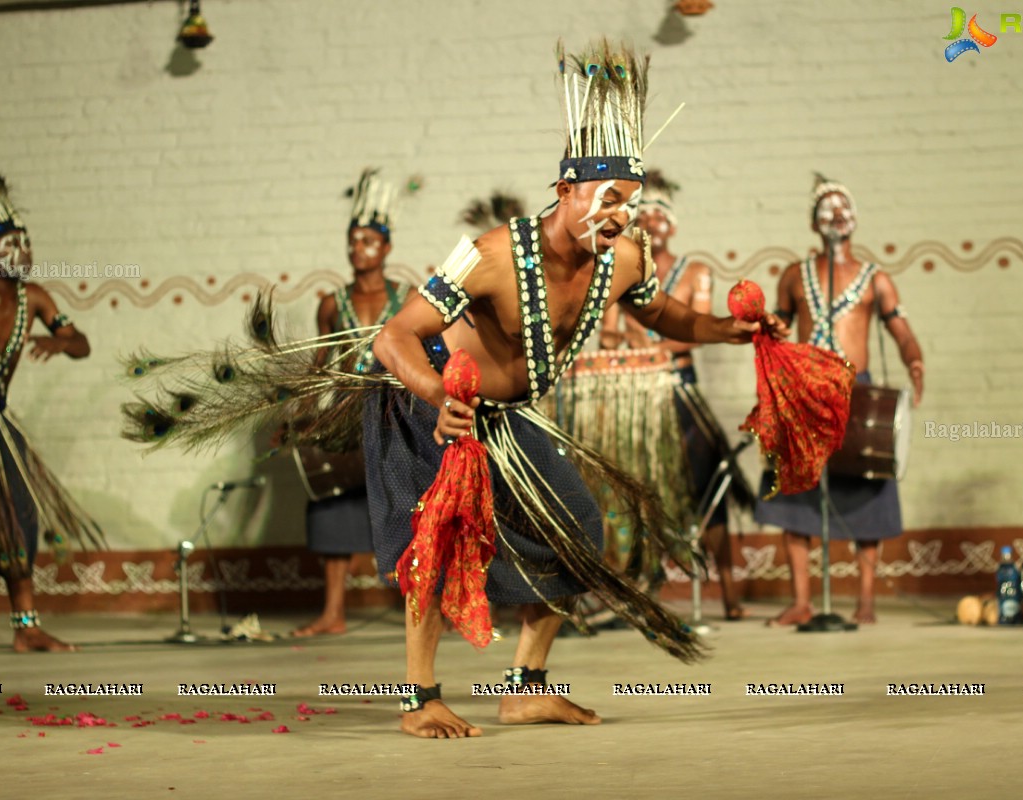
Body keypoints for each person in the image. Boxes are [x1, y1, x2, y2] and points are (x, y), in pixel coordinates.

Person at [365, 41, 787, 738]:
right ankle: (419, 700)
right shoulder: (493, 253)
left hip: (503, 415)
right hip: (428, 405)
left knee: (577, 527)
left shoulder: (623, 259)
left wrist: (725, 330)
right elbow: (393, 338)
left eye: (631, 203)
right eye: (610, 199)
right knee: (437, 541)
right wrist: (440, 398)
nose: (622, 215)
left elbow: (662, 314)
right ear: (565, 191)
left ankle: (526, 688)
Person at [757, 175, 924, 626]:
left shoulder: (876, 279)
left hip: (857, 390)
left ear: (855, 218)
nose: (836, 214)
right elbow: (782, 326)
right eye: (827, 208)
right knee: (795, 492)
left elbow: (901, 331)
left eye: (843, 207)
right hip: (806, 388)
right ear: (815, 222)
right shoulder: (795, 275)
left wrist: (915, 363)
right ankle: (802, 601)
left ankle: (866, 601)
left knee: (867, 485)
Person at [600, 170, 754, 620]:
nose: (651, 221)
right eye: (642, 214)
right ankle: (637, 591)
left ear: (673, 224)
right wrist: (624, 347)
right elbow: (608, 336)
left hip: (682, 392)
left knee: (709, 485)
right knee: (634, 490)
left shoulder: (696, 272)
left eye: (659, 214)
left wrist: (650, 347)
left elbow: (695, 330)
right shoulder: (619, 268)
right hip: (636, 394)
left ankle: (728, 594)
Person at [288, 169, 413, 637]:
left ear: (386, 248)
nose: (356, 248)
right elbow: (321, 364)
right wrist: (302, 411)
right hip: (342, 414)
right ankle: (333, 612)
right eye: (351, 240)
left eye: (367, 241)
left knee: (407, 504)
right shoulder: (330, 302)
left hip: (392, 414)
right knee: (332, 503)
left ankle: (418, 610)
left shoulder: (407, 298)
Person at [0, 173, 100, 652]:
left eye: (27, 243)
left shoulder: (37, 300)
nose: (25, 253)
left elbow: (83, 342)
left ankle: (26, 626)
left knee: (17, 520)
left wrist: (62, 340)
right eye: (13, 244)